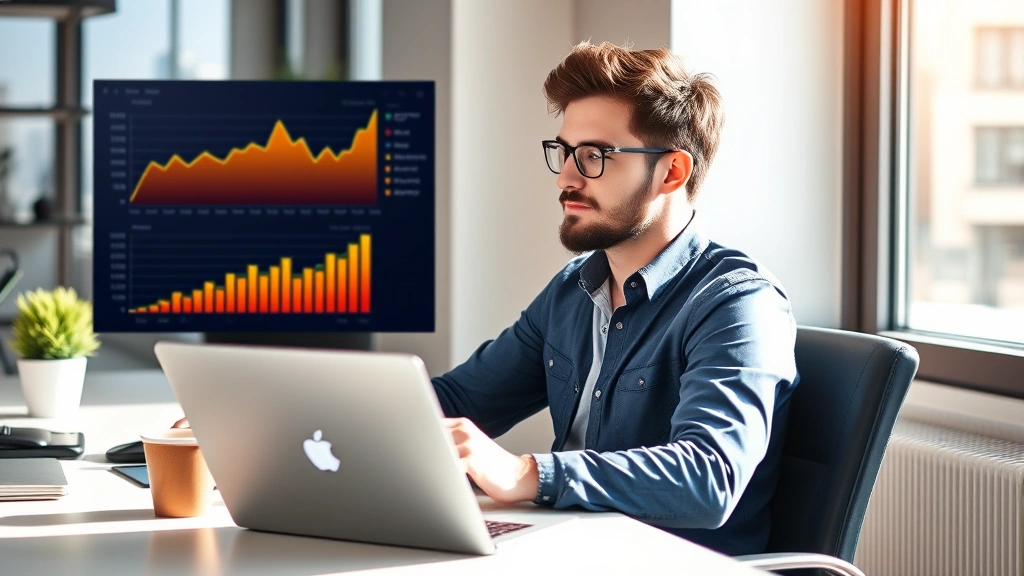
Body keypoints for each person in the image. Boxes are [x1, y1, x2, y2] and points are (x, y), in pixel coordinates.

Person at [177, 41, 798, 556]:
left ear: (671, 172)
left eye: (594, 156)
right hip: (571, 546)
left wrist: (526, 474)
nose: (566, 177)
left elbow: (708, 479)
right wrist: (271, 423)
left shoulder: (737, 304)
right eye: (564, 152)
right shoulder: (574, 290)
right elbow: (458, 402)